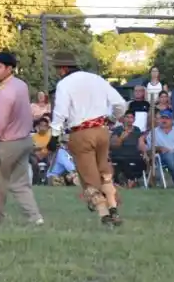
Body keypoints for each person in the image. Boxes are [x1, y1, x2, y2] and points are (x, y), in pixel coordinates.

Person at [50, 51, 126, 227]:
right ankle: (113, 206)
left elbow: (60, 112)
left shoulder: (64, 84)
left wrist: (54, 135)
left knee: (89, 178)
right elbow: (120, 104)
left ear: (62, 69)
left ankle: (105, 215)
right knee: (104, 172)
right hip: (102, 130)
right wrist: (113, 118)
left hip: (81, 133)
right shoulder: (97, 79)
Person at [0, 51, 43, 226]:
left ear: (9, 68)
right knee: (20, 183)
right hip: (25, 140)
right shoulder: (21, 85)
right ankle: (36, 218)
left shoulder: (5, 93)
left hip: (7, 143)